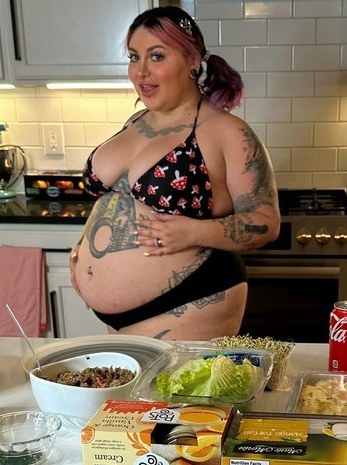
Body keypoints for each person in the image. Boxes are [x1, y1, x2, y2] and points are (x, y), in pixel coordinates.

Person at [70, 6, 279, 340]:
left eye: (156, 56)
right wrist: (83, 246)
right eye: (134, 57)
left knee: (172, 380)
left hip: (190, 300)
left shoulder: (226, 130)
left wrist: (193, 232)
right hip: (116, 315)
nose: (141, 72)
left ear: (192, 60)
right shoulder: (136, 122)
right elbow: (116, 199)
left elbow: (266, 223)